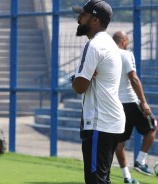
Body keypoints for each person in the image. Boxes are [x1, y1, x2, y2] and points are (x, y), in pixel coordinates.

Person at [71, 1, 126, 183]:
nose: (79, 18)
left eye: (83, 15)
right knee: (102, 179)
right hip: (110, 122)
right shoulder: (109, 43)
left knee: (96, 181)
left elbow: (80, 87)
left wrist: (75, 77)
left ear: (95, 19)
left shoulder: (93, 46)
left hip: (99, 123)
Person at [113, 30, 157, 183]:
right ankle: (140, 161)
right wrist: (144, 102)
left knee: (120, 142)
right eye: (128, 42)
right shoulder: (126, 54)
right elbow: (134, 79)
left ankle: (127, 177)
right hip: (130, 102)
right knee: (153, 127)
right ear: (124, 41)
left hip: (115, 105)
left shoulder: (106, 55)